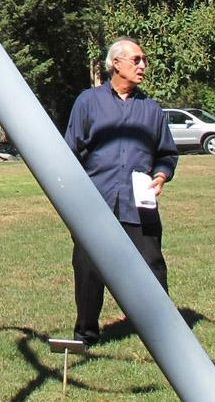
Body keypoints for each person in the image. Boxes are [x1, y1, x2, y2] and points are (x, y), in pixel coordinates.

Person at [64, 36, 178, 346]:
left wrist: (161, 174)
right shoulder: (88, 102)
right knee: (88, 269)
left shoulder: (152, 109)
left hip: (138, 203)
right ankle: (86, 333)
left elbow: (166, 153)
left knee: (152, 264)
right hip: (95, 202)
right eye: (136, 60)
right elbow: (70, 151)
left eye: (143, 61)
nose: (143, 66)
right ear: (116, 63)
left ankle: (165, 333)